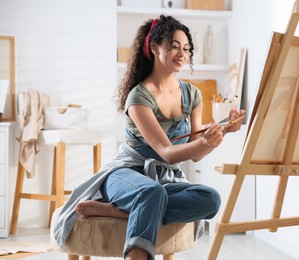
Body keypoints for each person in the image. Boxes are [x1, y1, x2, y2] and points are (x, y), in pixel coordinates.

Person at [53, 15, 245, 260]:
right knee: (151, 192)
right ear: (155, 48)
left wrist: (223, 132)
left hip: (164, 179)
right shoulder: (138, 97)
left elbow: (194, 154)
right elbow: (166, 152)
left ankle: (120, 212)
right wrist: (204, 142)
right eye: (174, 46)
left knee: (211, 199)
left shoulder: (192, 94)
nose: (181, 53)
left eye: (186, 48)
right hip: (125, 174)